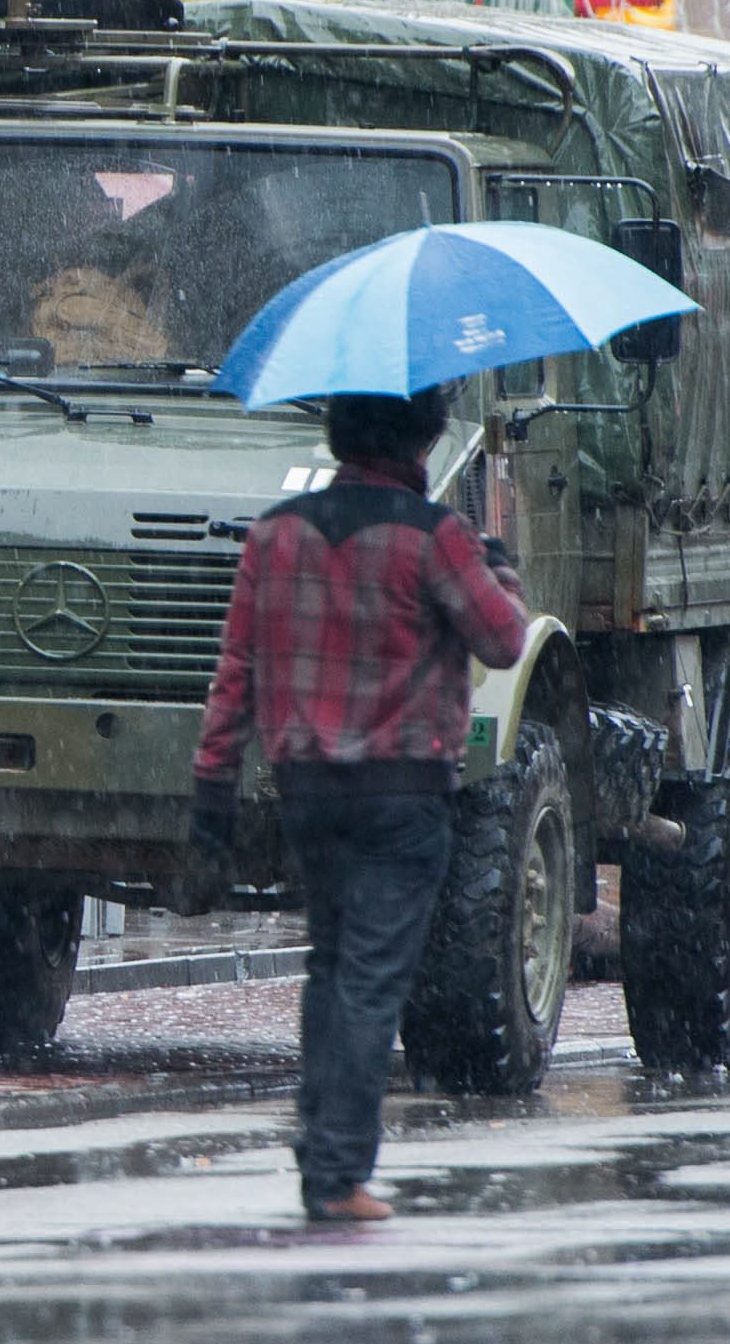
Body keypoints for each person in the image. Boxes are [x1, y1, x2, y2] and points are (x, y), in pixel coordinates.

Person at [188, 388, 529, 1222]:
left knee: (331, 968)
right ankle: (337, 1173)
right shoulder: (434, 536)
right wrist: (497, 569)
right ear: (419, 440)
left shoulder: (274, 534)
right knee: (373, 982)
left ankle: (321, 1148)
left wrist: (211, 792)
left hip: (306, 792)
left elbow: (236, 672)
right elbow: (503, 639)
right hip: (401, 793)